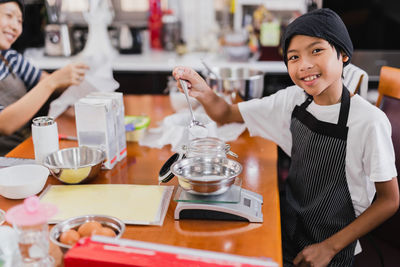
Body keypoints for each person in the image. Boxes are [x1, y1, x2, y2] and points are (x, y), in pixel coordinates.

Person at [172, 8, 399, 267]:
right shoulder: (292, 99)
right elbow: (225, 114)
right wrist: (201, 89)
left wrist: (328, 247)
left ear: (343, 54)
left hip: (334, 247)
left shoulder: (369, 121)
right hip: (289, 227)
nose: (304, 65)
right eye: (293, 57)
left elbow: (389, 200)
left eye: (316, 50)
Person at [0, 0, 89, 155]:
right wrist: (53, 81)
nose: (15, 27)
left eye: (20, 21)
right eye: (9, 15)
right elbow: (5, 123)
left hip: (25, 147)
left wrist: (73, 78)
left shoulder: (9, 58)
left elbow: (43, 79)